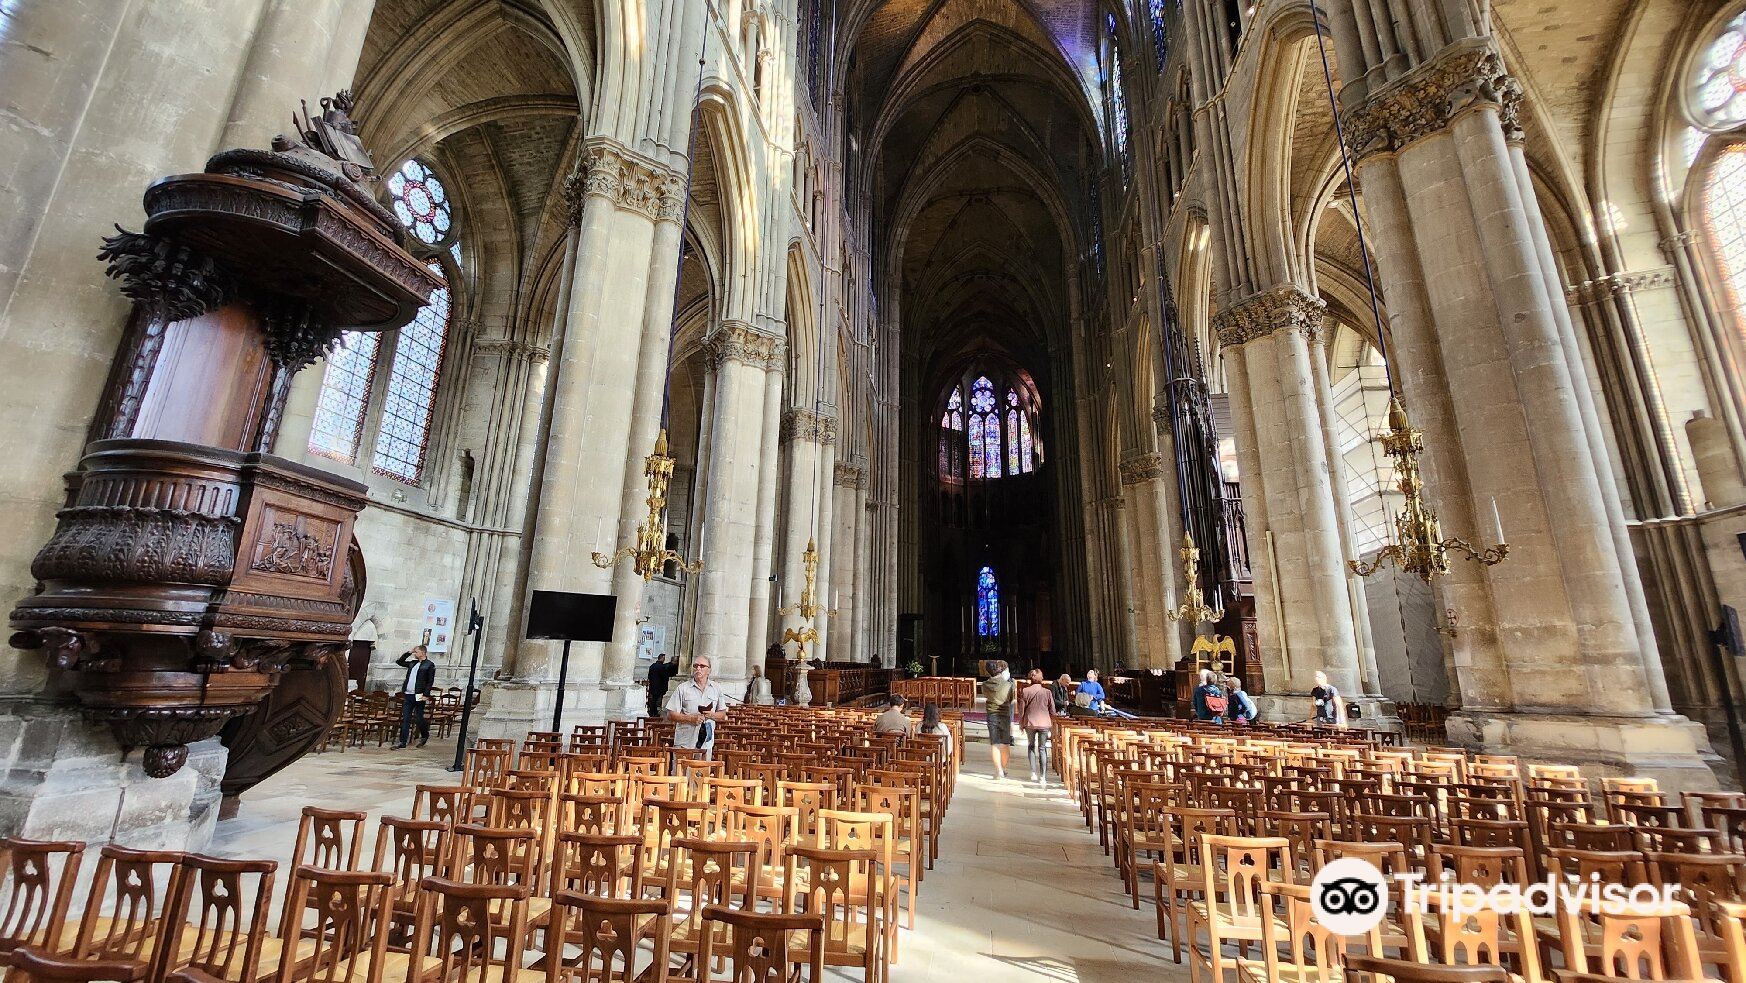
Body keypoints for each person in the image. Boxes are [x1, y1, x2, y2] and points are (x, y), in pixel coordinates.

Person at [664, 656, 728, 753]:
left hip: (706, 743)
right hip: (685, 743)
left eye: (702, 666)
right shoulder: (683, 688)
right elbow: (670, 714)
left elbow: (722, 714)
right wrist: (690, 718)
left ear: (709, 670)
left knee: (703, 768)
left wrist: (712, 715)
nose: (698, 668)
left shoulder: (716, 688)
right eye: (695, 666)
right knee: (682, 768)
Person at [1017, 669, 1056, 786]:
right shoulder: (1047, 692)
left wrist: (1021, 722)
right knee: (1042, 748)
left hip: (1030, 722)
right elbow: (1053, 710)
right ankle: (1043, 777)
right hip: (1044, 723)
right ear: (1041, 679)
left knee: (1031, 746)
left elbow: (1021, 710)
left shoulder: (1025, 691)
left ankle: (1033, 772)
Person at [394, 645, 435, 748]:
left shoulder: (429, 665)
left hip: (419, 694)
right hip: (408, 694)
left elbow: (430, 681)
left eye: (416, 652)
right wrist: (408, 652)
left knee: (418, 717)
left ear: (422, 652)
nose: (414, 654)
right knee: (406, 718)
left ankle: (425, 735)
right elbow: (399, 662)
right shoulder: (413, 663)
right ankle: (403, 742)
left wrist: (426, 694)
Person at [981, 660, 1015, 779]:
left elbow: (985, 695)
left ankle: (999, 770)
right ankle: (1004, 769)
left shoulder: (984, 685)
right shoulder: (1008, 685)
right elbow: (1010, 700)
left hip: (992, 714)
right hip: (1005, 715)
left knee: (994, 744)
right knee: (1005, 743)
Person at [647, 653, 676, 717]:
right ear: (662, 658)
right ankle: (655, 713)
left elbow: (649, 676)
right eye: (664, 658)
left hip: (652, 686)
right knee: (657, 701)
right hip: (659, 687)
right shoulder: (662, 667)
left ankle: (652, 713)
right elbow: (665, 677)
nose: (664, 660)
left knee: (653, 701)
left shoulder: (652, 666)